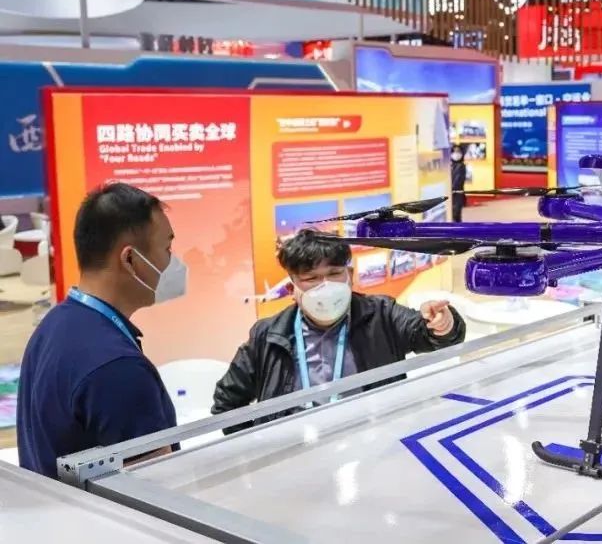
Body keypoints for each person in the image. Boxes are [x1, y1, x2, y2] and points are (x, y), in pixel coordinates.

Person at [211, 229, 466, 433]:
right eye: (311, 278)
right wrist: (261, 452)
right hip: (295, 454)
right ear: (292, 289)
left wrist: (443, 324)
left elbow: (428, 334)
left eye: (334, 273)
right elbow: (227, 403)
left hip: (372, 441)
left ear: (350, 275)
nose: (326, 286)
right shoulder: (267, 335)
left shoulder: (381, 314)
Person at [18, 183, 184, 478]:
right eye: (167, 249)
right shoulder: (117, 367)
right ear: (130, 260)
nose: (174, 262)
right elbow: (155, 489)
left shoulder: (53, 326)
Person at [450, 143, 466, 223]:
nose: (456, 153)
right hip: (450, 193)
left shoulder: (461, 166)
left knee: (456, 213)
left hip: (457, 193)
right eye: (454, 151)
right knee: (452, 214)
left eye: (458, 151)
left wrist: (451, 188)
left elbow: (459, 180)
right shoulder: (450, 165)